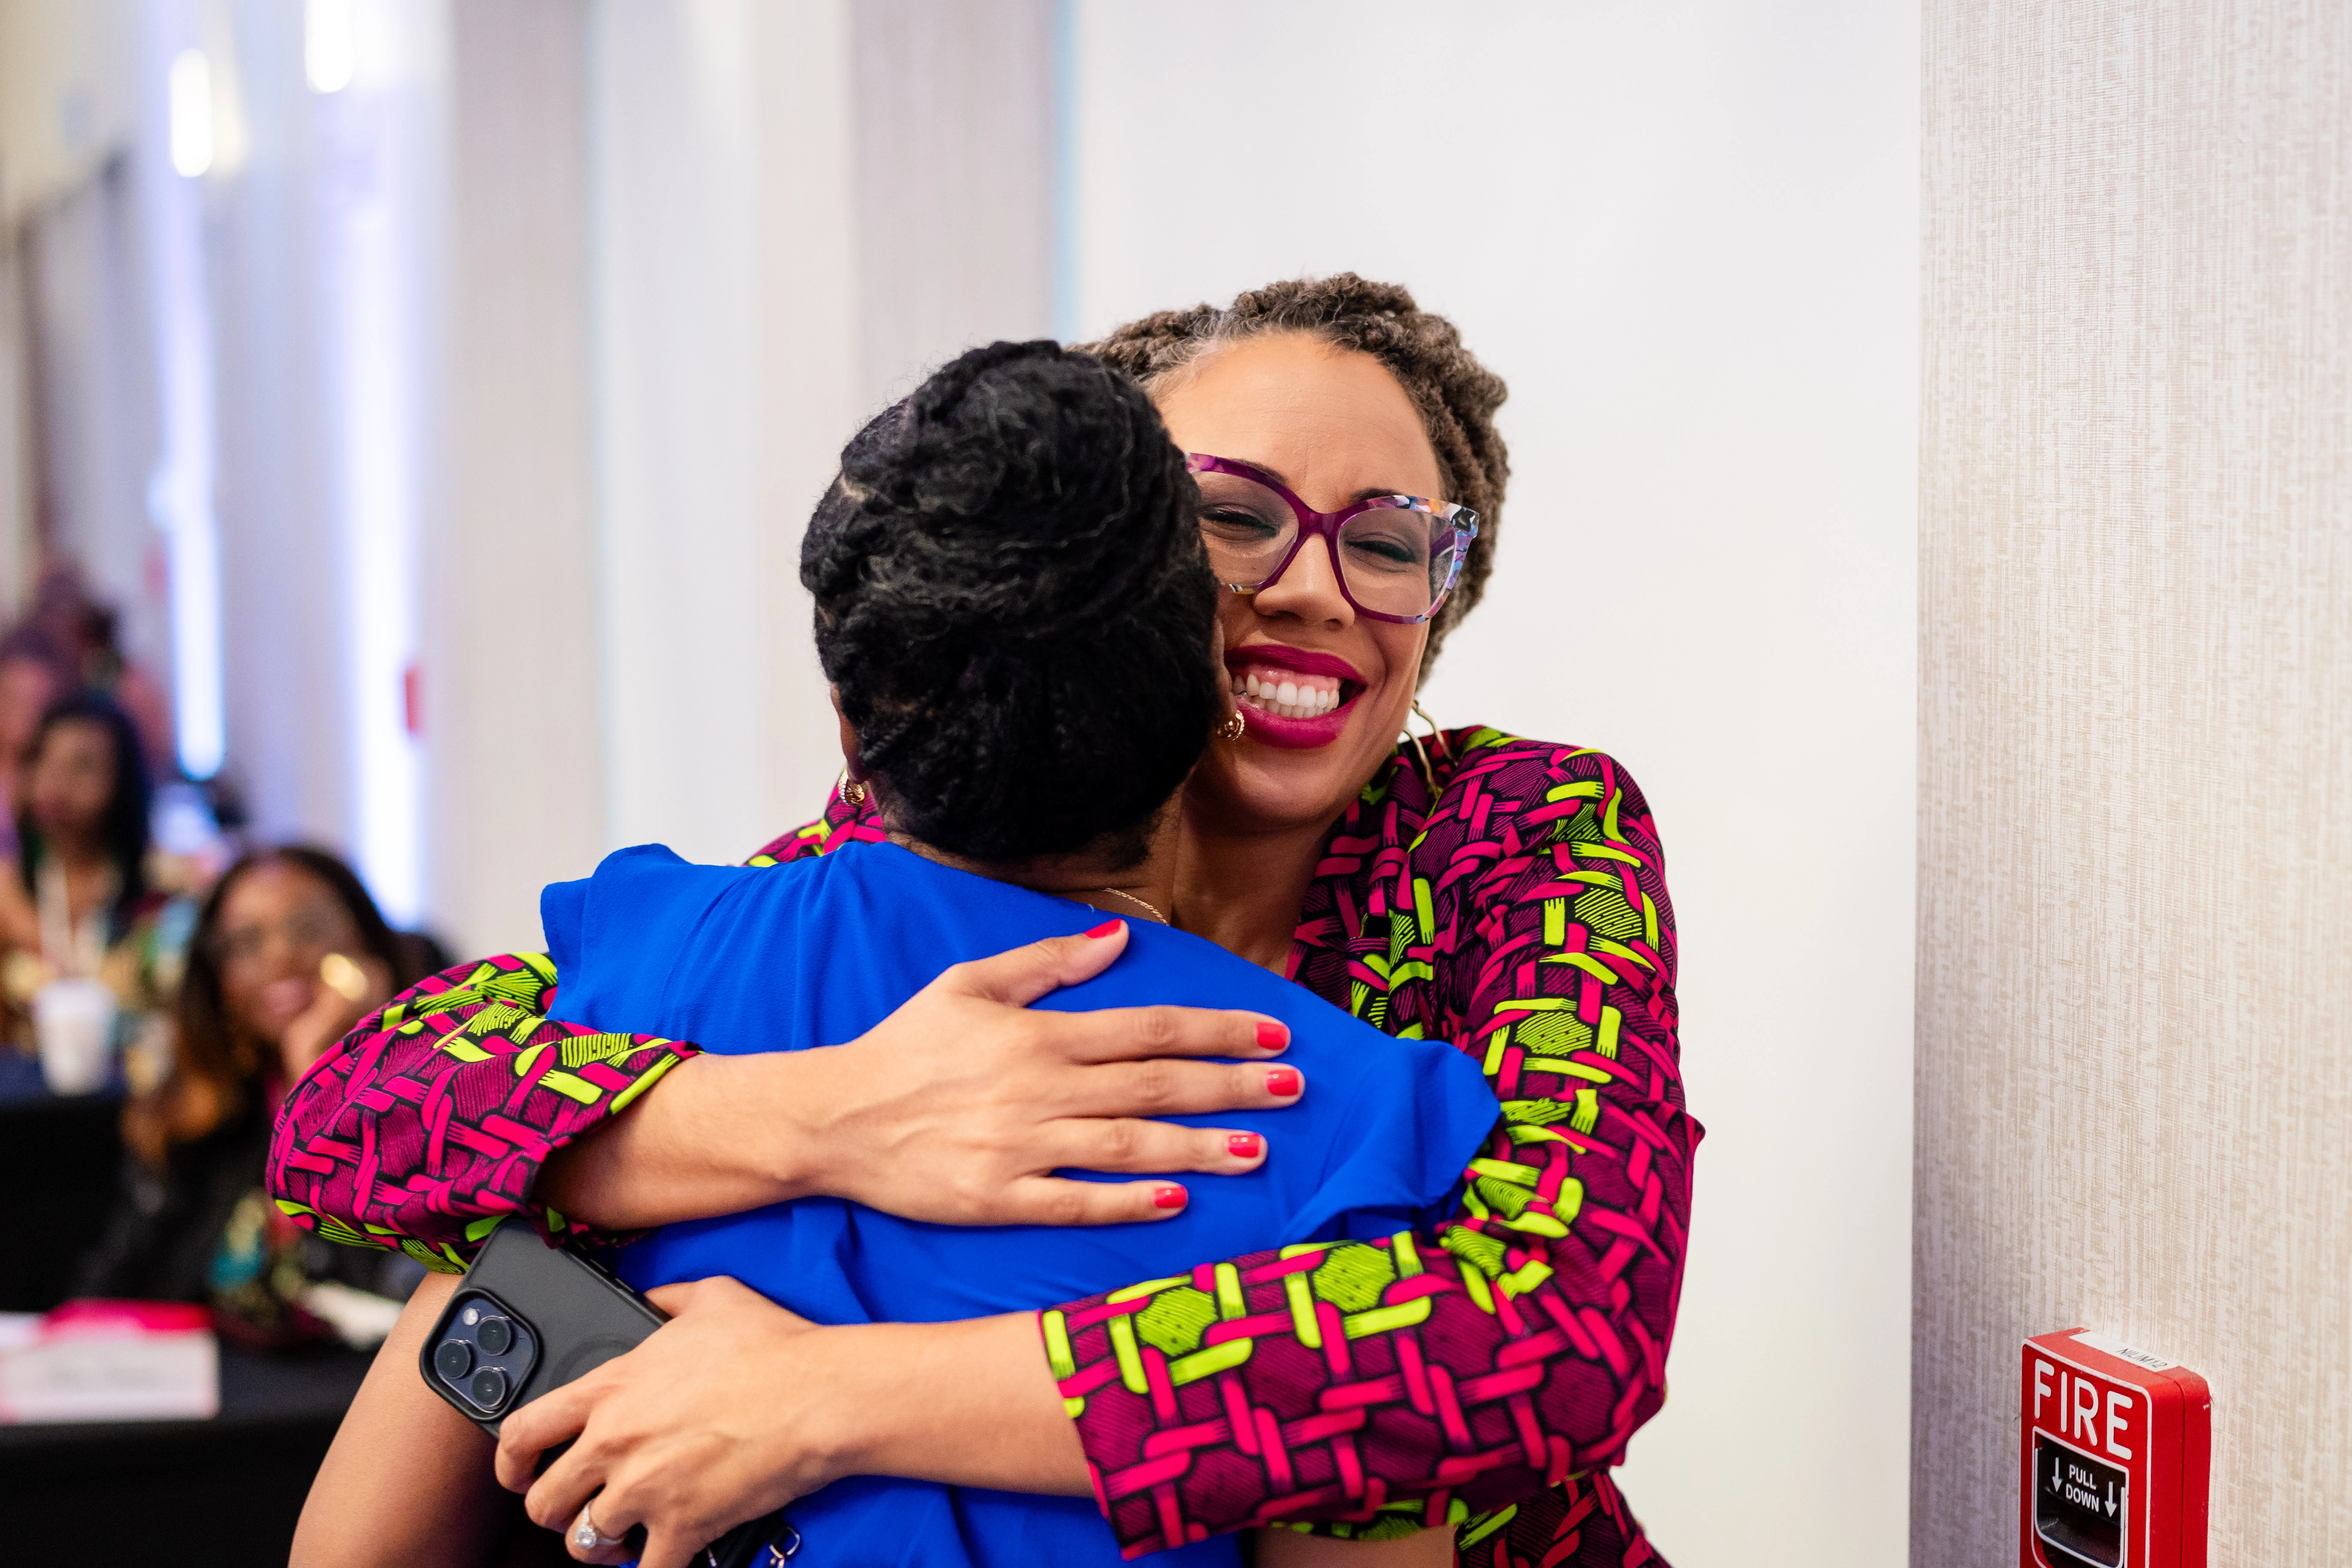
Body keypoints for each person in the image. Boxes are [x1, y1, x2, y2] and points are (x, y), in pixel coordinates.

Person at [272, 276, 1698, 1567]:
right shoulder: (902, 857)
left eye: (1388, 541)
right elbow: (356, 1119)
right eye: (1235, 516)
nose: (1316, 586)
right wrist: (820, 1114)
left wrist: (824, 1400)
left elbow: (1558, 1330)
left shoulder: (1510, 833)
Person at [76, 846, 420, 1346]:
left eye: (309, 928)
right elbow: (116, 1291)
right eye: (246, 943)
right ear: (218, 977)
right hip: (215, 1413)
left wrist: (318, 1074)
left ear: (366, 946)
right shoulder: (189, 1114)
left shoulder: (431, 1100)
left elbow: (390, 1291)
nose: (281, 956)